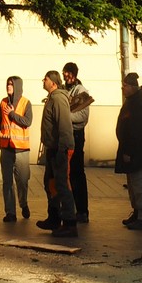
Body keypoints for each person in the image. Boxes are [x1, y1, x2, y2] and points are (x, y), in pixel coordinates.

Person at [36, 70, 78, 238]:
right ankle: (54, 217)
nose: (43, 80)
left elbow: (64, 125)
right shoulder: (52, 98)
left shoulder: (59, 98)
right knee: (50, 183)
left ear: (52, 82)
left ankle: (69, 223)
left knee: (62, 185)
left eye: (45, 79)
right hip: (53, 148)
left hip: (61, 148)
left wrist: (63, 148)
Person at [0, 75, 32, 222]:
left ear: (17, 86)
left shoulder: (26, 103)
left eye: (11, 84)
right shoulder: (3, 102)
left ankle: (23, 203)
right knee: (7, 182)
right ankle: (10, 213)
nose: (8, 87)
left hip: (21, 149)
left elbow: (27, 122)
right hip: (5, 148)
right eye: (7, 84)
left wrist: (12, 114)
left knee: (23, 181)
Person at [116, 72, 142, 230]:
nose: (123, 88)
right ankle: (138, 212)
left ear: (132, 87)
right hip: (133, 151)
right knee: (133, 185)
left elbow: (136, 131)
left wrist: (129, 151)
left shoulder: (137, 103)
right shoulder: (133, 101)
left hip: (138, 154)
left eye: (125, 86)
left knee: (139, 185)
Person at [62, 62, 94, 224]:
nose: (66, 77)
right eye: (64, 74)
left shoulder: (81, 91)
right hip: (64, 136)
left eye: (68, 74)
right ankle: (70, 208)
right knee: (65, 175)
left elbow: (83, 117)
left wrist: (65, 117)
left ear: (74, 74)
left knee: (76, 174)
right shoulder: (63, 89)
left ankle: (82, 210)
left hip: (76, 136)